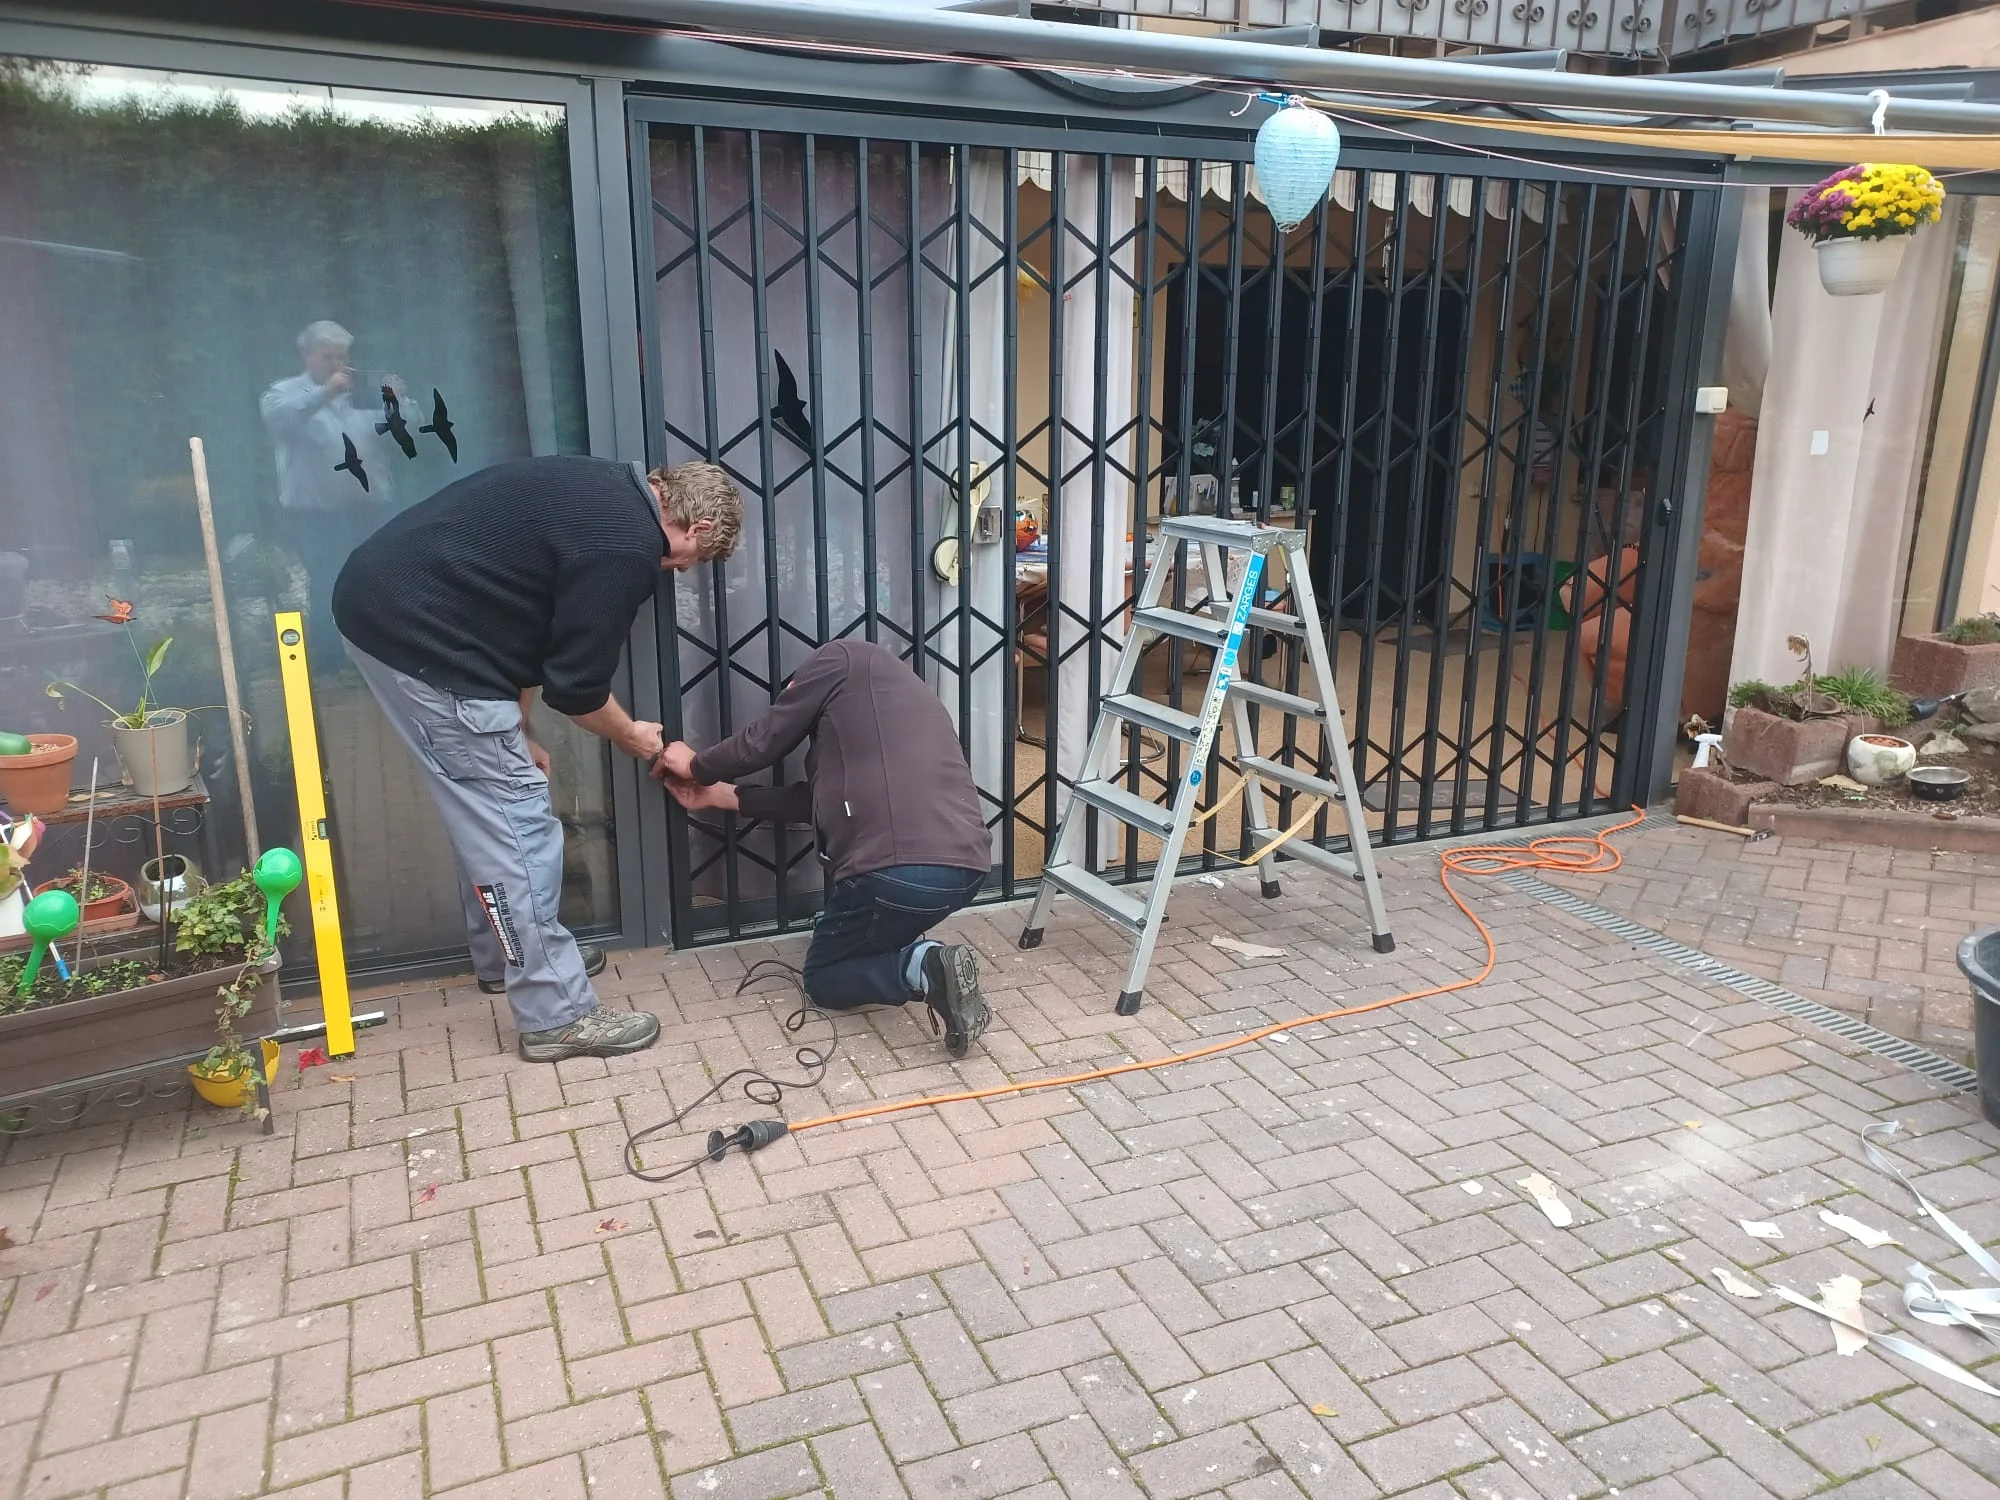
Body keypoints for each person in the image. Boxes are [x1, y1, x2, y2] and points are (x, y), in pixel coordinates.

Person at [333, 456, 744, 1063]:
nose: (679, 570)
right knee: (516, 822)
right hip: (423, 636)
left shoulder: (599, 485)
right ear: (697, 529)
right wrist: (632, 734)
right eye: (690, 561)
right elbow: (576, 689)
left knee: (488, 807)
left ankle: (514, 958)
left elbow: (525, 628)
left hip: (391, 611)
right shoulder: (626, 544)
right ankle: (556, 1013)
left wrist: (517, 726)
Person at [654, 639, 994, 1057]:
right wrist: (720, 796)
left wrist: (695, 765)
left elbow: (767, 737)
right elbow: (813, 801)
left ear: (799, 683)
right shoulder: (891, 709)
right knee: (869, 931)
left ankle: (925, 964)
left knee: (824, 977)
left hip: (893, 872)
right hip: (965, 873)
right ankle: (922, 959)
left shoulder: (839, 658)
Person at [260, 321, 405, 653]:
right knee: (327, 583)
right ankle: (329, 660)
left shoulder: (360, 394)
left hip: (369, 509)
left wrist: (395, 400)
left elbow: (402, 432)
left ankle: (375, 654)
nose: (338, 365)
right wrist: (327, 392)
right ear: (307, 355)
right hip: (313, 514)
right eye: (328, 357)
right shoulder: (283, 393)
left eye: (342, 357)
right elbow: (280, 419)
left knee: (375, 580)